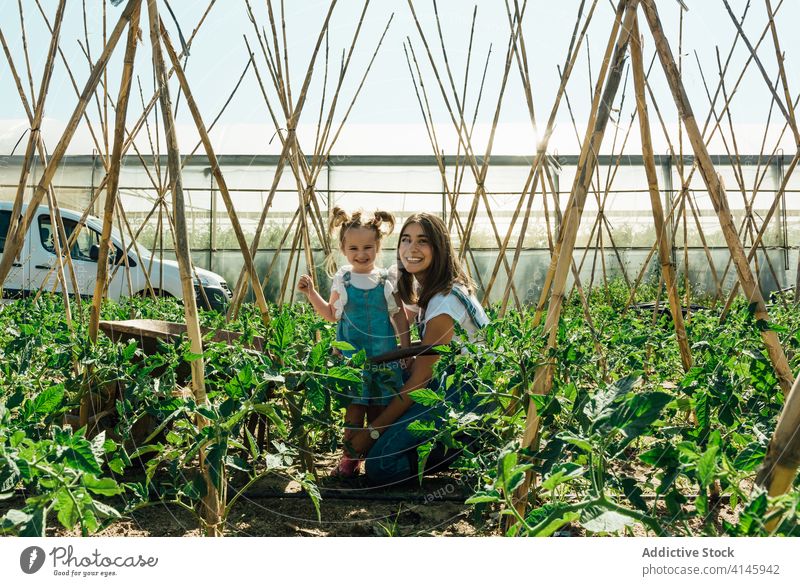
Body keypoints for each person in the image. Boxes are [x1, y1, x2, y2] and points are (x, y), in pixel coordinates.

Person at [348, 212, 490, 486]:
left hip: (469, 398)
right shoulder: (438, 290)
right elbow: (433, 352)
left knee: (381, 466)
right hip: (458, 385)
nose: (411, 249)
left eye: (422, 241)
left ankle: (470, 441)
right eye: (406, 240)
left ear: (440, 248)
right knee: (390, 376)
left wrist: (372, 433)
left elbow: (420, 381)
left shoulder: (443, 304)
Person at [297, 208, 410, 477]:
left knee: (379, 409)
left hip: (384, 357)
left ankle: (374, 459)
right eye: (354, 248)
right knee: (354, 409)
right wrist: (311, 293)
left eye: (368, 247)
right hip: (352, 361)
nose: (362, 254)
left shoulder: (385, 279)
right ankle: (349, 460)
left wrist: (404, 350)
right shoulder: (344, 279)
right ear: (344, 249)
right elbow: (331, 314)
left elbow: (400, 316)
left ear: (378, 247)